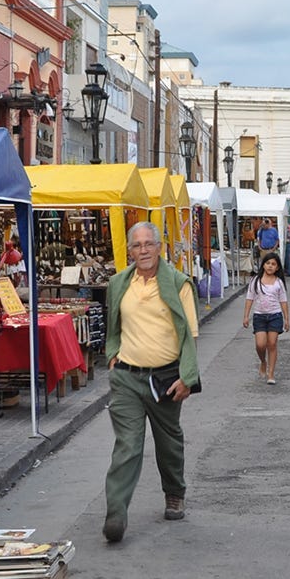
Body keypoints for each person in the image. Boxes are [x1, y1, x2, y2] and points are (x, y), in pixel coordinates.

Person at [103, 221, 202, 540]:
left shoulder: (178, 283)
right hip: (127, 378)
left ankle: (174, 492)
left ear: (159, 247)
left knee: (169, 442)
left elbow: (190, 336)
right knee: (127, 445)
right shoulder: (119, 283)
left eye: (149, 244)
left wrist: (187, 377)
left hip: (164, 378)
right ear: (129, 250)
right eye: (137, 245)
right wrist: (112, 354)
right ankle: (116, 512)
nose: (143, 250)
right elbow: (113, 325)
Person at [243, 252, 290, 384]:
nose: (270, 266)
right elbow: (249, 298)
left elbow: (283, 301)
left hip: (275, 315)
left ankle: (271, 373)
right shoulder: (255, 281)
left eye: (273, 264)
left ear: (277, 268)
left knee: (272, 343)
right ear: (263, 265)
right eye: (268, 263)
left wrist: (287, 319)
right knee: (260, 344)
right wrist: (246, 316)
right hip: (259, 316)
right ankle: (263, 361)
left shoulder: (279, 283)